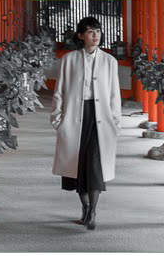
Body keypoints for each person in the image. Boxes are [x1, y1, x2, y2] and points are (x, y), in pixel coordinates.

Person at [50, 16, 122, 230]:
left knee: (95, 165)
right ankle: (85, 207)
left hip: (100, 118)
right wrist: (57, 120)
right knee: (77, 165)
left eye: (98, 31)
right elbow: (59, 91)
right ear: (81, 35)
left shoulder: (110, 61)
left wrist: (115, 121)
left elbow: (114, 95)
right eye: (91, 31)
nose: (96, 35)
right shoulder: (69, 60)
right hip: (74, 116)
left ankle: (92, 211)